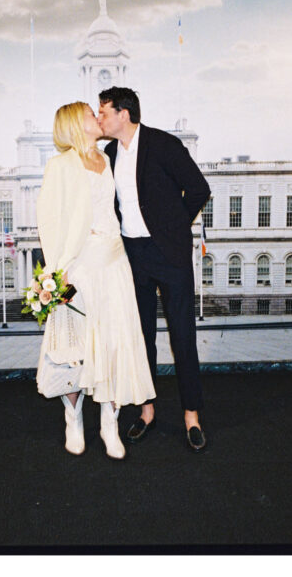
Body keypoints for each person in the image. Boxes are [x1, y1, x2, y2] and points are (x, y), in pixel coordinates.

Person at [35, 101, 156, 459]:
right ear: (76, 123)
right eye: (91, 113)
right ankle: (73, 418)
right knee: (74, 349)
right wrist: (57, 275)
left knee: (115, 344)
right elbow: (50, 221)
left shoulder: (109, 158)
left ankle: (109, 422)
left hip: (115, 262)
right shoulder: (59, 166)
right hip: (80, 265)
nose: (97, 117)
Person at [97, 86, 211, 453]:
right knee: (141, 337)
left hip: (170, 253)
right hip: (133, 255)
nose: (100, 118)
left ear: (123, 114)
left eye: (104, 111)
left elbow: (198, 189)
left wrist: (173, 227)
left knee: (182, 337)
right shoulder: (108, 154)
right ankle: (147, 411)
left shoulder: (163, 145)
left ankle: (191, 416)